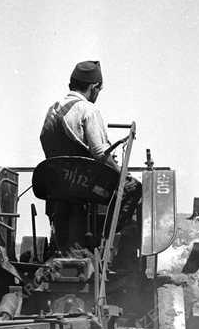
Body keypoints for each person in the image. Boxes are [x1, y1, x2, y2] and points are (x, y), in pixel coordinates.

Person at [39, 60, 141, 255]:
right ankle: (107, 242)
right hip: (84, 185)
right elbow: (101, 153)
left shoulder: (52, 110)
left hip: (57, 187)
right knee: (134, 188)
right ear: (94, 87)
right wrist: (122, 174)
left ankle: (68, 247)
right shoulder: (88, 110)